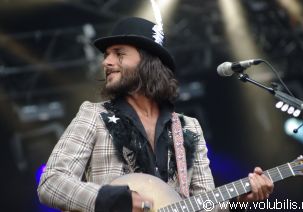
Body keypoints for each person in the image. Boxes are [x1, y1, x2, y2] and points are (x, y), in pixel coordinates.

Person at [37, 17, 273, 212]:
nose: (106, 62)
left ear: (148, 62)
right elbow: (51, 182)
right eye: (106, 55)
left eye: (119, 53)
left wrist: (239, 200)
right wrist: (111, 199)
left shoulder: (188, 128)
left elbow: (204, 205)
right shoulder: (93, 115)